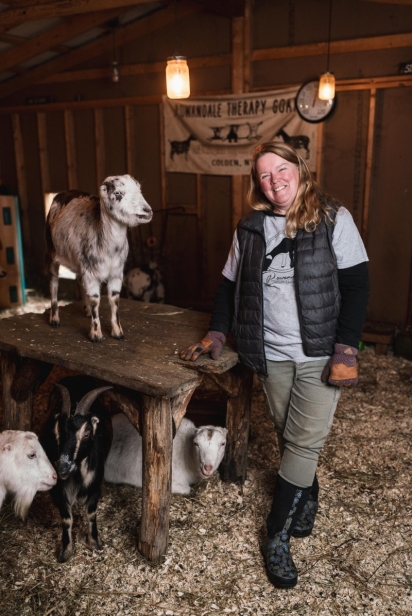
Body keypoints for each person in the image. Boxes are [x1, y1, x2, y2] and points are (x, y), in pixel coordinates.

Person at [180, 141, 370, 589]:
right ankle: (309, 491)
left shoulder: (332, 218)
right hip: (270, 352)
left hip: (320, 353)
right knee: (292, 437)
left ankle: (275, 536)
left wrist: (346, 349)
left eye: (281, 169)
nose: (274, 180)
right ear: (257, 184)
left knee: (303, 443)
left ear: (299, 169)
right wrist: (217, 332)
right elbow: (228, 287)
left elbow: (358, 285)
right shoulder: (250, 228)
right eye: (264, 175)